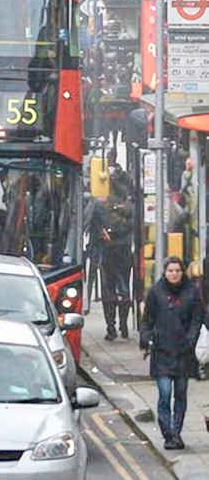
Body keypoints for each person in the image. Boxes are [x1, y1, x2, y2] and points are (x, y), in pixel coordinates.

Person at [139, 255, 203, 450]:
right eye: (170, 271)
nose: (174, 274)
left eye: (177, 270)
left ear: (182, 272)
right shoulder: (155, 292)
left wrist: (191, 339)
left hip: (184, 353)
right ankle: (168, 433)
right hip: (162, 352)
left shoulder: (191, 292)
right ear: (164, 273)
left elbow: (197, 319)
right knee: (165, 394)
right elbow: (147, 319)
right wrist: (146, 337)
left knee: (181, 395)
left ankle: (176, 432)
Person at [89, 169, 134, 341]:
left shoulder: (106, 203)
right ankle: (116, 326)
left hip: (115, 249)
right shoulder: (114, 202)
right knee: (118, 289)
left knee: (113, 289)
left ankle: (115, 327)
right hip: (116, 248)